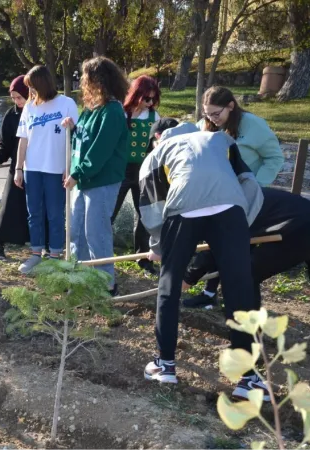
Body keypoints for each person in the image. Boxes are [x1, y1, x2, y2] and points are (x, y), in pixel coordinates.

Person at [139, 119, 264, 398]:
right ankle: (249, 379)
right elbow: (250, 182)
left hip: (184, 208)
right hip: (231, 209)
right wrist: (240, 225)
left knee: (169, 287)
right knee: (238, 289)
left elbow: (151, 203)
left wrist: (158, 246)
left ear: (159, 137)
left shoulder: (159, 151)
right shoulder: (220, 140)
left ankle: (165, 366)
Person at [189, 86, 285, 306]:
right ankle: (209, 295)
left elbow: (274, 158)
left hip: (245, 198)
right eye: (207, 114)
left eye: (216, 114)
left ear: (231, 106)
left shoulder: (254, 126)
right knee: (214, 242)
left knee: (236, 248)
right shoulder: (207, 125)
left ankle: (236, 298)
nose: (212, 119)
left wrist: (257, 186)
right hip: (217, 194)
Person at [184, 186, 310, 313]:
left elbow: (214, 249)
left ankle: (247, 331)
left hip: (299, 230)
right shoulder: (234, 192)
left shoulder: (224, 206)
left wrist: (188, 279)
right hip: (306, 217)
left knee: (246, 274)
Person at [62, 57, 129, 294]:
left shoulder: (112, 112)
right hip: (83, 179)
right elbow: (83, 142)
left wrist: (77, 174)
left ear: (100, 80)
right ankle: (78, 275)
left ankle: (105, 282)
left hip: (101, 181)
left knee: (96, 231)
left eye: (86, 77)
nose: (83, 81)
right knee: (76, 229)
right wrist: (73, 129)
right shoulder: (91, 110)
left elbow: (100, 151)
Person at [13, 65, 79, 274]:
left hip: (55, 168)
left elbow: (76, 139)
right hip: (32, 168)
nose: (30, 92)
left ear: (42, 84)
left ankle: (55, 255)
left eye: (32, 86)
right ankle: (36, 253)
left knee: (55, 214)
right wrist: (18, 168)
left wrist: (68, 168)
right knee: (34, 213)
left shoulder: (66, 104)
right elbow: (23, 140)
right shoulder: (29, 107)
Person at [0, 75, 46, 262]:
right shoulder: (11, 115)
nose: (16, 101)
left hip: (40, 166)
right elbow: (4, 143)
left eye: (19, 97)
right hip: (18, 167)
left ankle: (42, 246)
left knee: (39, 207)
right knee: (10, 205)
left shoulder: (41, 111)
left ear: (29, 93)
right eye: (13, 98)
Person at [112, 75, 161, 276]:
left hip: (143, 170)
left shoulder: (154, 117)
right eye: (146, 98)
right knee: (110, 212)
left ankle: (143, 258)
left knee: (144, 214)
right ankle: (100, 254)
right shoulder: (122, 113)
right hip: (121, 169)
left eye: (152, 99)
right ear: (136, 95)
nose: (149, 103)